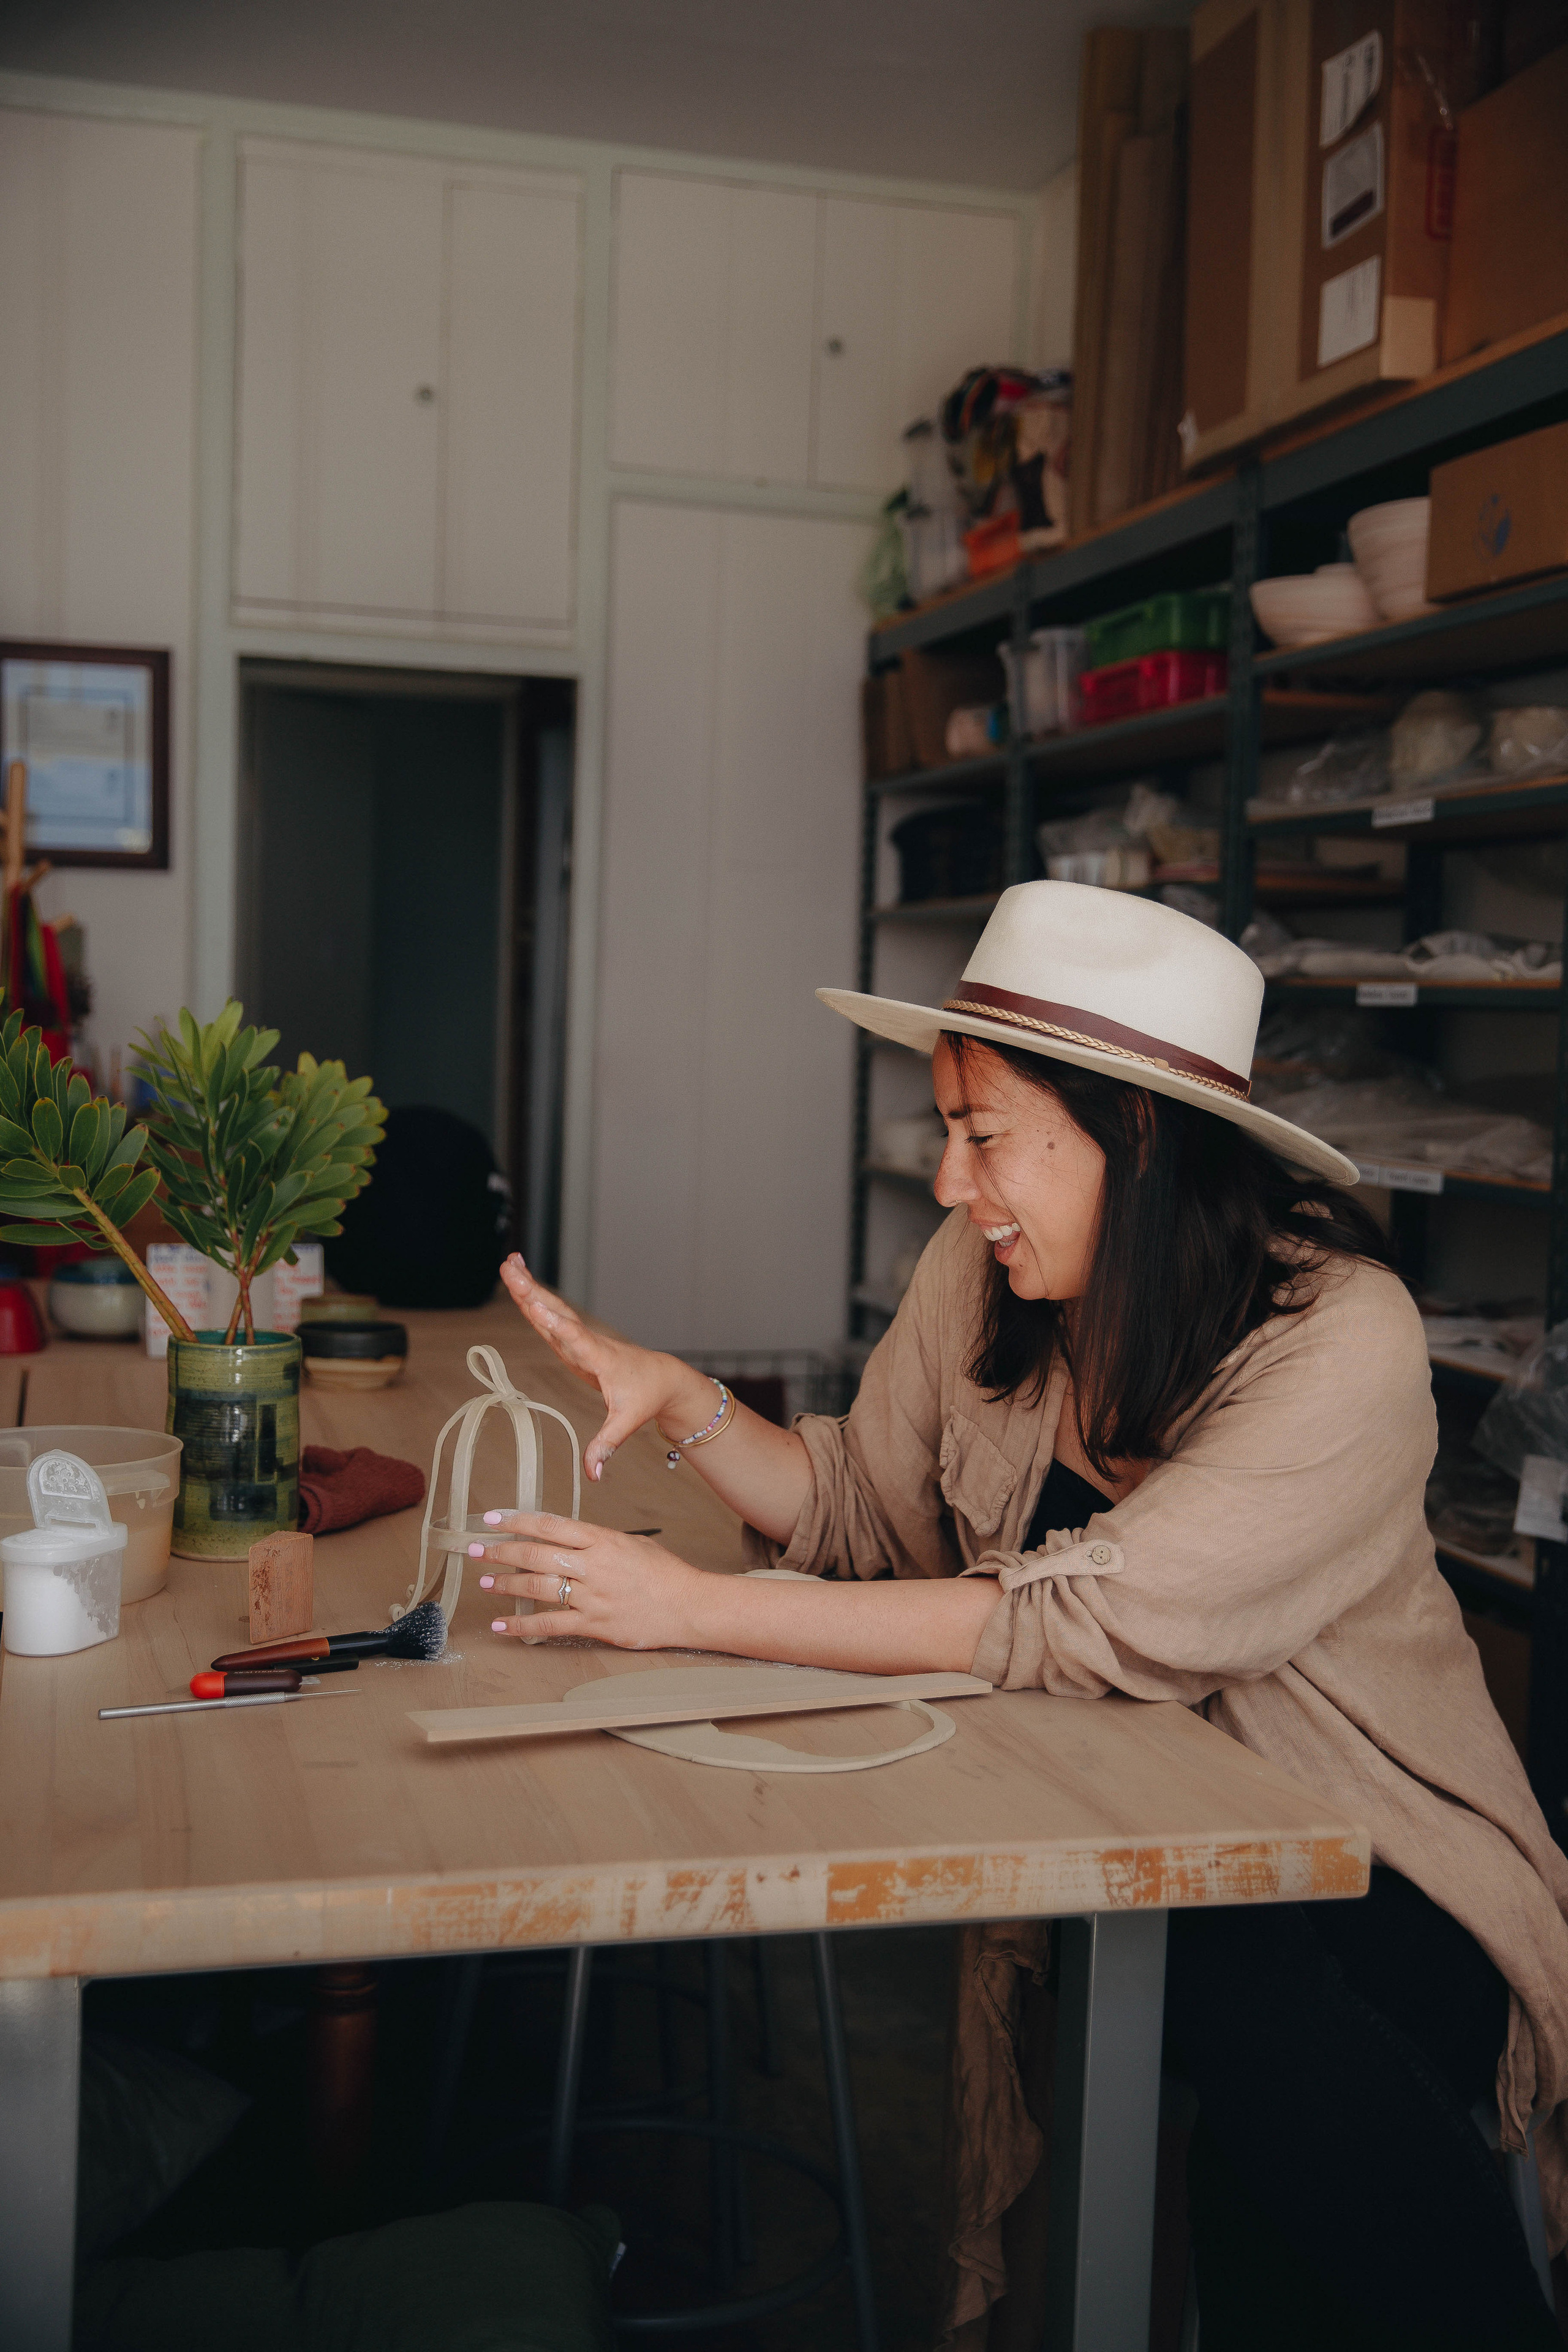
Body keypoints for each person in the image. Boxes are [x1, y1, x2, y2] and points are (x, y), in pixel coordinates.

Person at [479, 881, 1568, 2350]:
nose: (949, 1182)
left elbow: (1073, 1622)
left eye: (982, 1134)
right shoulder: (985, 1273)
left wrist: (690, 1612)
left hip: (1376, 1871)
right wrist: (685, 1399)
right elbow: (858, 1509)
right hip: (1141, 1846)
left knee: (1246, 2035)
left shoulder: (1338, 1333)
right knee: (1227, 2069)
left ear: (1135, 1135)